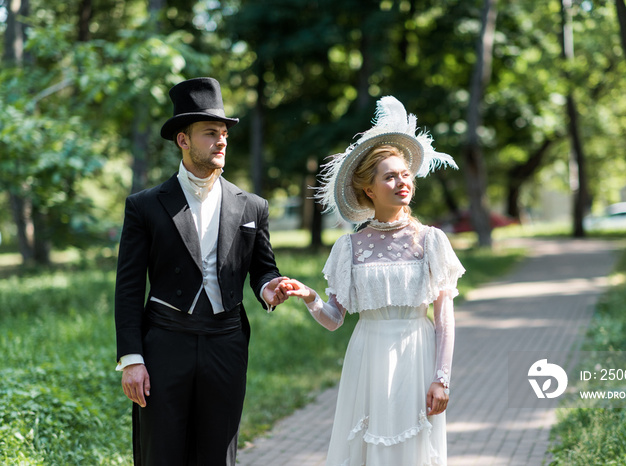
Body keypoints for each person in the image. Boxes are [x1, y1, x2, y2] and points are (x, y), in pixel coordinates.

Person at [114, 77, 289, 466]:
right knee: (161, 452)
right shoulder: (144, 206)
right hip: (165, 341)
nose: (221, 141)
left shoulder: (252, 207)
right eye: (210, 133)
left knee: (218, 456)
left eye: (224, 133)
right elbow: (127, 288)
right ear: (183, 139)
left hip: (226, 341)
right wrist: (132, 359)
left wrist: (270, 287)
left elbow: (263, 270)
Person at [281, 96, 465, 466]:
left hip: (418, 351)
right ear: (369, 189)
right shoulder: (350, 247)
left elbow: (444, 317)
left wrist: (441, 378)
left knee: (414, 450)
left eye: (405, 174)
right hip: (367, 356)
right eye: (390, 176)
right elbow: (335, 319)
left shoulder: (430, 240)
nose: (402, 182)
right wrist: (310, 297)